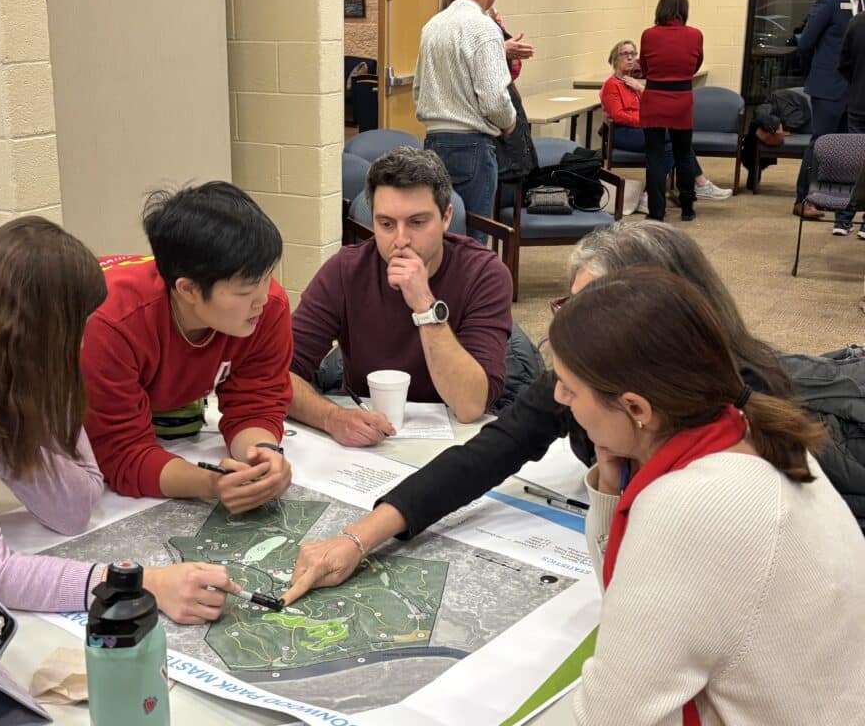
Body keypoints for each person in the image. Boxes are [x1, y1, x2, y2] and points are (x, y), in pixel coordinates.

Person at [281, 219, 796, 605]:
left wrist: (610, 471)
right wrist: (359, 537)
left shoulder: (732, 414)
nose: (573, 331)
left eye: (594, 309)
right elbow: (490, 451)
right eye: (569, 307)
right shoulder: (584, 373)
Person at [0, 218, 239, 623]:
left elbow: (72, 508)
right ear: (39, 338)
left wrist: (17, 406)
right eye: (75, 333)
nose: (83, 347)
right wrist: (140, 584)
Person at [552, 267, 865, 724]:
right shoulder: (752, 429)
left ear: (637, 408)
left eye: (570, 387)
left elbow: (610, 715)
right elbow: (626, 600)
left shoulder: (691, 505)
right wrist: (609, 476)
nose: (560, 398)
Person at [81, 182, 293, 513]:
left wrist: (263, 455)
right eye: (246, 289)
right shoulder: (111, 325)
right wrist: (212, 483)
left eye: (267, 276)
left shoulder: (268, 307)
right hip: (53, 407)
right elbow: (122, 455)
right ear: (188, 289)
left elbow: (257, 402)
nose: (263, 298)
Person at [288, 147, 513, 447]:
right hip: (369, 435)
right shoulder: (345, 270)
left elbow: (470, 405)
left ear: (446, 217)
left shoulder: (484, 273)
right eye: (386, 224)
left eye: (417, 223)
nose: (401, 240)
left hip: (457, 439)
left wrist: (424, 305)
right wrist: (331, 417)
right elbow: (274, 375)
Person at [415, 0, 516, 242]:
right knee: (474, 238)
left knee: (438, 234)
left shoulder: (433, 25)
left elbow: (418, 87)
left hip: (433, 141)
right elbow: (495, 99)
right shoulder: (484, 28)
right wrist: (509, 123)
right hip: (472, 146)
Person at [600, 39, 732, 214]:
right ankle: (700, 183)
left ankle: (650, 195)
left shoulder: (631, 83)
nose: (631, 58)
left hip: (640, 129)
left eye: (634, 54)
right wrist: (646, 120)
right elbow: (618, 116)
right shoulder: (612, 84)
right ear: (616, 58)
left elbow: (651, 104)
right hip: (624, 133)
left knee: (673, 145)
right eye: (626, 54)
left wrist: (641, 89)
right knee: (675, 136)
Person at [795, 0, 865, 222]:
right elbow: (806, 43)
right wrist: (817, 74)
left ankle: (845, 203)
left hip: (854, 90)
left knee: (851, 148)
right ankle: (802, 199)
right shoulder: (829, 1)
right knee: (820, 143)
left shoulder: (863, 4)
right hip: (828, 87)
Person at [638, 0, 703, 222]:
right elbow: (695, 66)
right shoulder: (695, 35)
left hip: (654, 97)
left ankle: (657, 211)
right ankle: (687, 207)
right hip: (682, 99)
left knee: (654, 156)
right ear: (684, 10)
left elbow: (644, 67)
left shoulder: (649, 34)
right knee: (683, 153)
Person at [440, 0, 535, 82]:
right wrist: (501, 50)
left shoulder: (491, 18)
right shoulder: (445, 26)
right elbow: (457, 69)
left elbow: (513, 70)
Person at [838, 7, 865, 238]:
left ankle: (843, 219)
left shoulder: (857, 23)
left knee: (854, 160)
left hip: (858, 101)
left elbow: (844, 64)